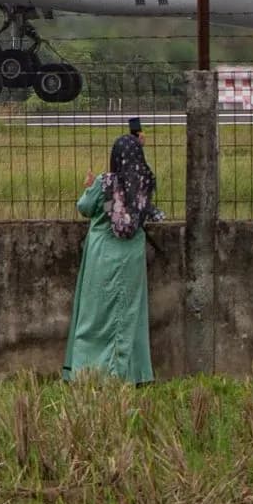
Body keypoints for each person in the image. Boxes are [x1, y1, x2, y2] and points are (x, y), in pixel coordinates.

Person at [63, 119, 158, 382]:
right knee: (129, 314)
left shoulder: (105, 182)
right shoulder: (145, 182)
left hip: (102, 252)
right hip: (131, 254)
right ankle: (130, 372)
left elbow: (84, 207)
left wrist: (88, 185)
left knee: (94, 315)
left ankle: (88, 371)